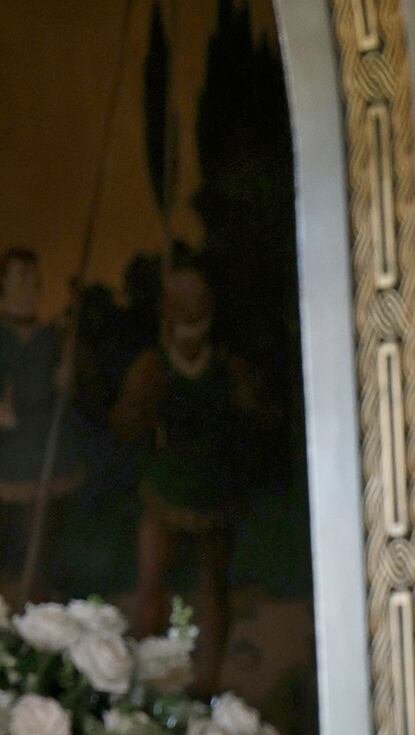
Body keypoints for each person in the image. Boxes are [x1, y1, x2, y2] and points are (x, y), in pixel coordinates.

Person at [108, 264, 261, 690]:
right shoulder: (153, 365)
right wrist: (143, 400)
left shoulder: (227, 366)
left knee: (212, 585)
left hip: (213, 486)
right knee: (151, 583)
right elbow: (124, 425)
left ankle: (208, 681)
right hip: (165, 483)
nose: (191, 313)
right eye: (182, 304)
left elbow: (255, 419)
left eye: (197, 304)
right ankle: (135, 679)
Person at [0, 249, 84, 605]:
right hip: (7, 449)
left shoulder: (52, 335)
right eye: (21, 277)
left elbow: (67, 391)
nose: (30, 285)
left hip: (47, 447)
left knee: (43, 539)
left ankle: (40, 609)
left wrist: (66, 379)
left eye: (34, 278)